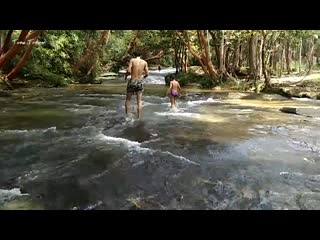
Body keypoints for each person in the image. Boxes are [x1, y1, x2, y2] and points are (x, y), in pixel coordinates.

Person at [124, 50, 149, 120]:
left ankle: (128, 117)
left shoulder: (132, 60)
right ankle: (139, 118)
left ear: (134, 55)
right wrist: (142, 78)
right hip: (139, 82)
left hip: (132, 81)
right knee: (139, 101)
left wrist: (125, 76)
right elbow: (147, 74)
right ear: (140, 55)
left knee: (128, 100)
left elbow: (128, 71)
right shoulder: (144, 62)